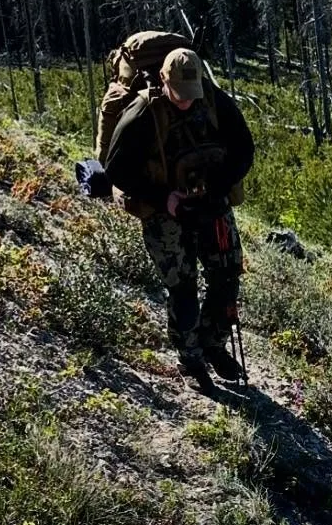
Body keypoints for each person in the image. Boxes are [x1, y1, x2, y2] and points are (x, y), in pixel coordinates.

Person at [103, 46, 254, 392]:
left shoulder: (213, 101)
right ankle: (189, 358)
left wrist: (219, 186)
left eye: (191, 94)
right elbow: (116, 169)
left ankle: (212, 344)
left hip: (211, 203)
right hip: (165, 212)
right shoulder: (143, 112)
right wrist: (163, 199)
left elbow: (244, 149)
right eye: (178, 95)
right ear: (163, 81)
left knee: (227, 274)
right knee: (182, 286)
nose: (186, 101)